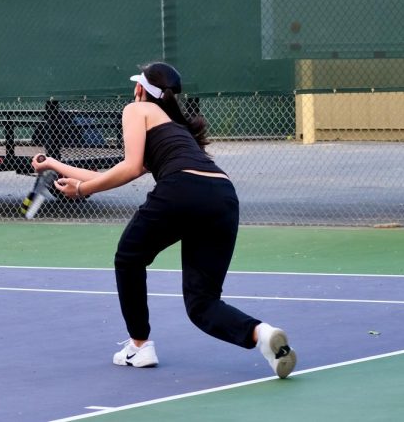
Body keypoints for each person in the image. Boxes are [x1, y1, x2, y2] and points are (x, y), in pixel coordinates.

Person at [31, 62, 297, 379]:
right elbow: (119, 171)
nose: (133, 91)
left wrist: (83, 190)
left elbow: (128, 169)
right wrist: (56, 165)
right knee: (202, 304)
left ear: (141, 89)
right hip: (222, 197)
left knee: (128, 257)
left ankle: (139, 346)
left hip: (181, 189)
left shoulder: (136, 110)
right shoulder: (175, 127)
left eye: (136, 86)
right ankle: (262, 334)